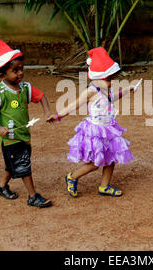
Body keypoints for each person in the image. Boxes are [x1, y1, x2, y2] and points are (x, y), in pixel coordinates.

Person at [48, 47, 136, 198]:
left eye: (112, 79)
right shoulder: (90, 91)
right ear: (96, 77)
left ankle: (104, 186)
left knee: (112, 158)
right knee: (95, 163)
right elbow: (73, 105)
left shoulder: (106, 88)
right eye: (109, 79)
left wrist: (125, 91)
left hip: (109, 129)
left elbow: (111, 98)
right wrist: (58, 116)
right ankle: (72, 177)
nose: (111, 82)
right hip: (95, 131)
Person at [0, 36, 53, 208]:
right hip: (10, 138)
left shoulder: (25, 88)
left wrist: (47, 112)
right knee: (23, 165)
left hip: (24, 135)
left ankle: (1, 186)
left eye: (21, 69)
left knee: (13, 164)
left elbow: (42, 96)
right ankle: (33, 196)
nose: (20, 73)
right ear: (2, 73)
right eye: (15, 70)